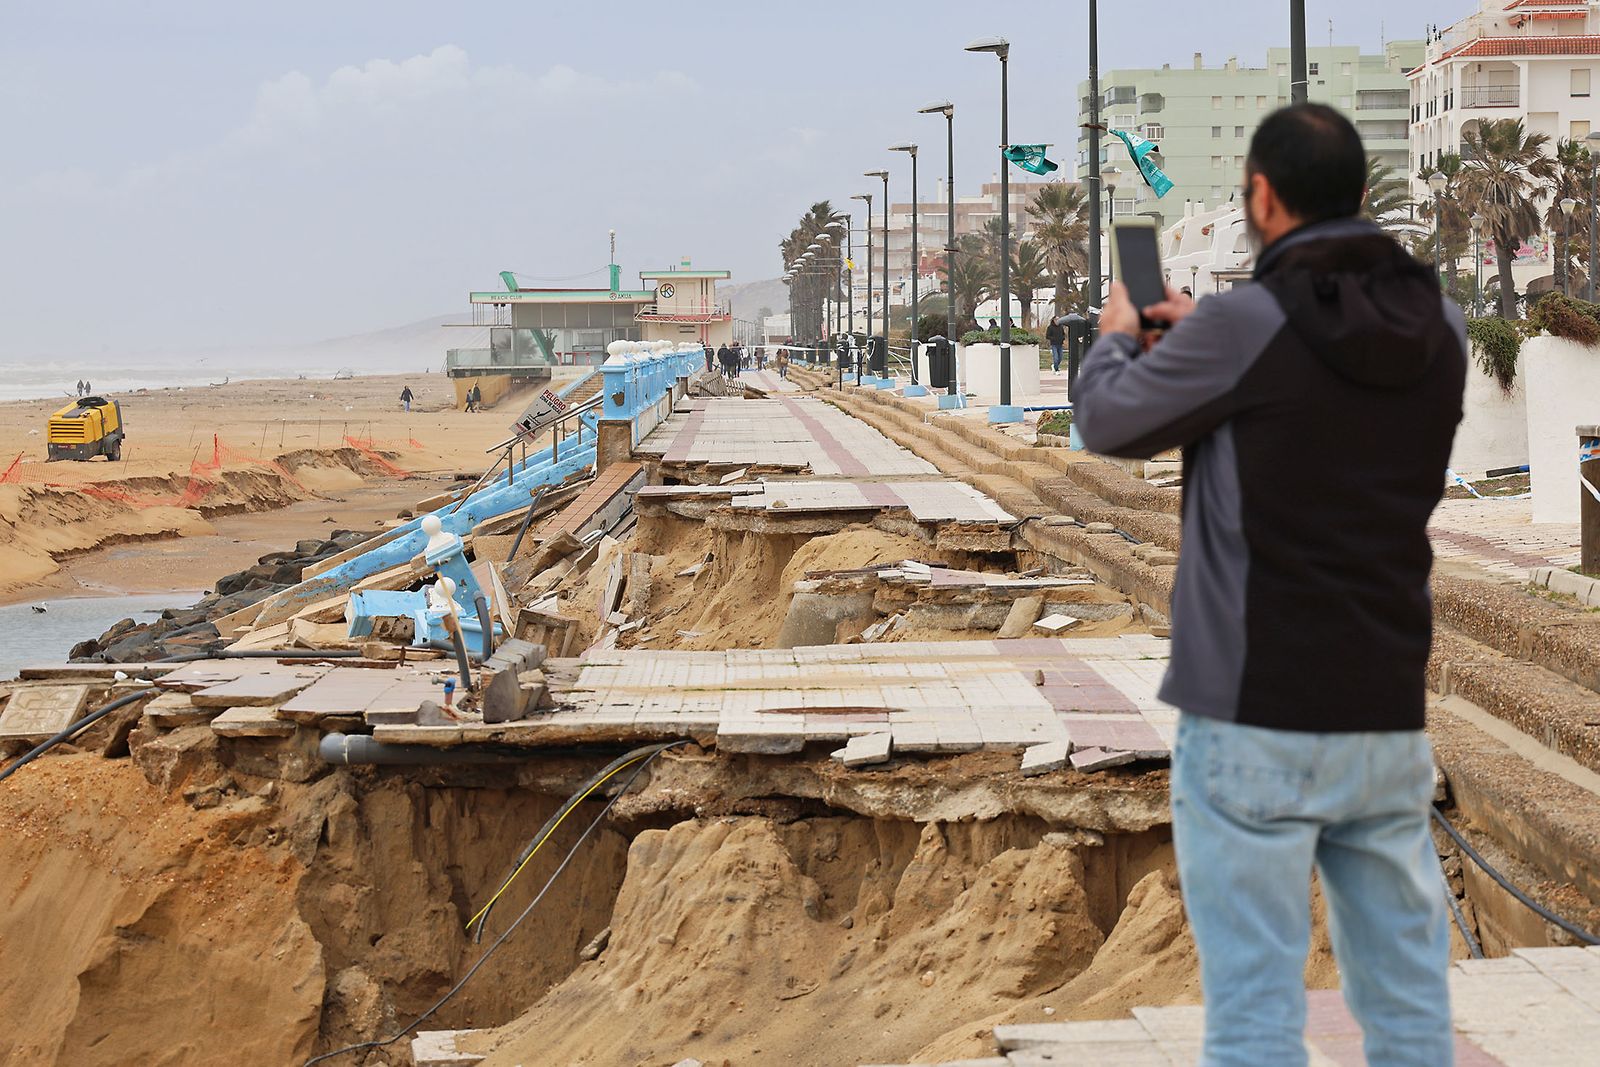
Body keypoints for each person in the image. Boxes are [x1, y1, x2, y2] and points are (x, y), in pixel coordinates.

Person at [1075, 103, 1465, 1067]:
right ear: (1364, 197)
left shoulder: (1244, 327)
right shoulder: (1441, 326)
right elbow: (1318, 396)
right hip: (1384, 711)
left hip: (1253, 712)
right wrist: (1210, 339)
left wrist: (1122, 334)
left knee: (1254, 1013)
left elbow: (1110, 421)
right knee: (1410, 1005)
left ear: (1261, 197)